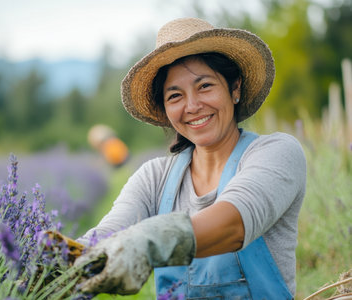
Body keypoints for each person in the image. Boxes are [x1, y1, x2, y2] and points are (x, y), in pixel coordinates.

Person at [75, 17, 306, 299]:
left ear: (234, 88)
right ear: (166, 109)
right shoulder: (155, 178)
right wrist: (65, 257)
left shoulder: (277, 153)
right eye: (175, 96)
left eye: (205, 86)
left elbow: (234, 222)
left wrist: (148, 242)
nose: (193, 106)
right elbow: (108, 234)